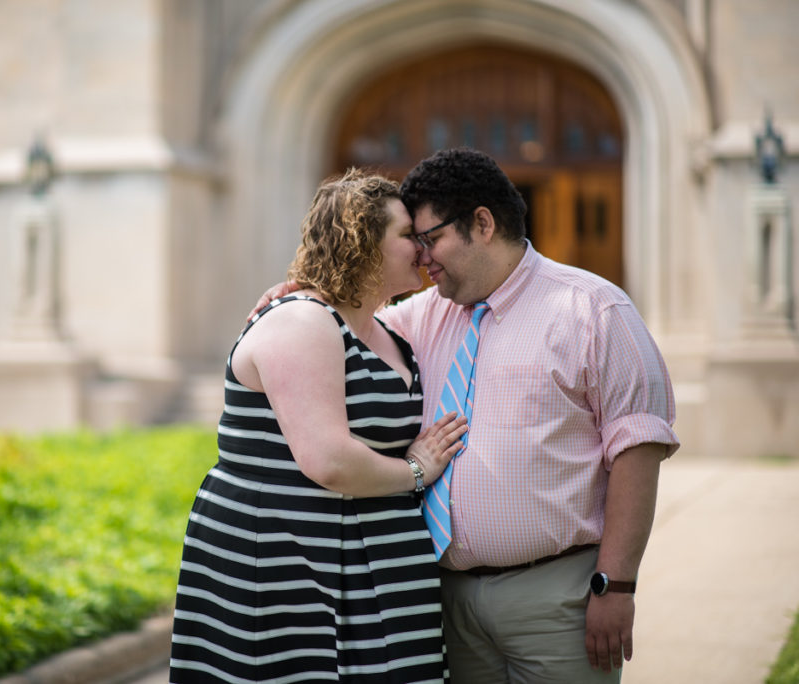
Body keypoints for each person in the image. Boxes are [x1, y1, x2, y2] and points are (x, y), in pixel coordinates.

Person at [255, 147, 679, 682]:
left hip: (555, 599)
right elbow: (343, 318)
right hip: (444, 604)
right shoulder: (414, 318)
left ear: (481, 223)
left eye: (430, 239)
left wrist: (615, 585)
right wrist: (300, 292)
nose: (422, 258)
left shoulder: (594, 310)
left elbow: (638, 451)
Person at [169, 169, 467, 683]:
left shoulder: (385, 327)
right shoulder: (301, 321)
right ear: (361, 241)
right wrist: (417, 469)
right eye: (406, 236)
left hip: (376, 562)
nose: (421, 250)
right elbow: (327, 459)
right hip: (288, 559)